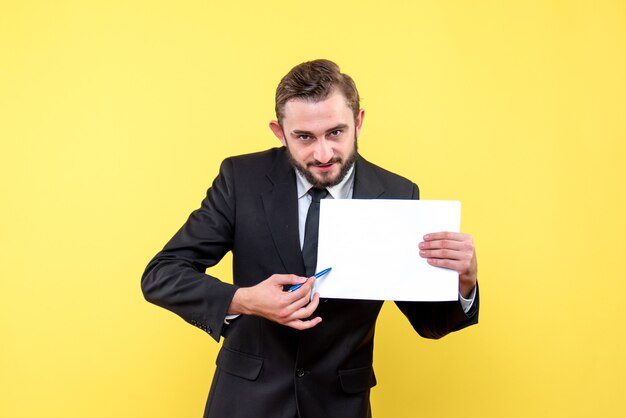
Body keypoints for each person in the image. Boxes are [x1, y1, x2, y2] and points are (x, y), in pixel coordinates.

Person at [141, 59, 479, 418]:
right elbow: (162, 274)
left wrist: (464, 282)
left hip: (340, 406)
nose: (322, 154)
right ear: (279, 131)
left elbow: (431, 323)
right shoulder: (241, 179)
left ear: (359, 122)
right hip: (246, 403)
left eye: (336, 133)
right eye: (304, 137)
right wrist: (244, 300)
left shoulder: (397, 193)